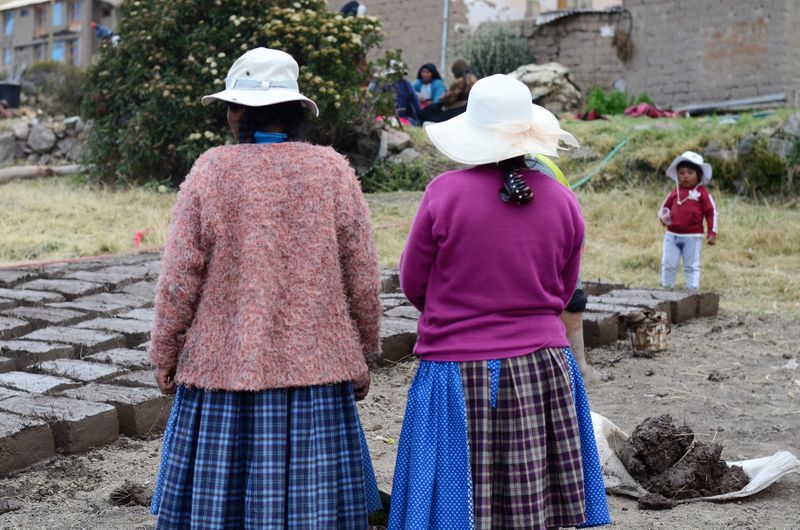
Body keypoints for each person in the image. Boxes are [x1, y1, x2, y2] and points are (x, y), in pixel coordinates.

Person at [147, 48, 383, 528]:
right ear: (298, 111)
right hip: (318, 371)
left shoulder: (211, 171)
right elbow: (362, 274)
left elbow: (179, 279)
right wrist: (365, 350)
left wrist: (165, 353)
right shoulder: (332, 170)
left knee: (221, 509)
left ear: (236, 113)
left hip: (223, 372)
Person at [388, 74, 610, 529]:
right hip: (543, 367)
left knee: (455, 505)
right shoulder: (564, 201)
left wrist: (455, 310)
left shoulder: (443, 194)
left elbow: (414, 283)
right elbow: (565, 290)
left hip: (455, 370)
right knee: (529, 499)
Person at [527, 154, 606, 383]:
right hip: (533, 244)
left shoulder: (540, 169)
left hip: (556, 237)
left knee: (571, 301)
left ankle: (578, 366)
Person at [658, 150, 718, 292]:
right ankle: (667, 289)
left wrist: (712, 232)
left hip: (692, 237)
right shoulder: (675, 191)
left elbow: (711, 213)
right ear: (677, 175)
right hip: (671, 235)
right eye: (682, 173)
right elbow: (664, 208)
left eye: (690, 173)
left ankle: (692, 291)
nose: (685, 176)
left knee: (691, 265)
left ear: (698, 175)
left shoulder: (702, 193)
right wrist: (663, 218)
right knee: (668, 263)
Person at [419, 58, 478, 123]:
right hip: (469, 108)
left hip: (458, 110)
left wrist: (441, 100)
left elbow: (449, 98)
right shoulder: (474, 79)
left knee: (428, 111)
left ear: (456, 72)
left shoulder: (460, 81)